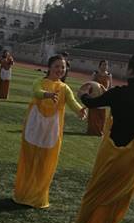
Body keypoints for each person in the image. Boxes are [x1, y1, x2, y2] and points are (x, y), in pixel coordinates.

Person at [73, 51, 134, 223]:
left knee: (95, 195)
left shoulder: (119, 93)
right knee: (119, 200)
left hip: (115, 154)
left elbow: (92, 103)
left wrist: (82, 93)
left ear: (131, 71)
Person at [13, 55, 86, 208]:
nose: (60, 69)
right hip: (35, 124)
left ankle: (37, 197)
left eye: (63, 67)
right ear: (49, 67)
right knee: (29, 158)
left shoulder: (64, 88)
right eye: (57, 66)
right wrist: (47, 94)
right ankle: (23, 193)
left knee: (46, 161)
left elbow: (72, 101)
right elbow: (36, 92)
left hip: (52, 128)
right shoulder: (39, 81)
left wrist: (80, 110)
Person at [87, 60, 112, 136]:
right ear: (99, 66)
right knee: (93, 113)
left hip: (103, 96)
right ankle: (92, 130)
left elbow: (110, 87)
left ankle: (100, 130)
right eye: (103, 65)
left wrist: (107, 93)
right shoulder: (95, 73)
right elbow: (90, 83)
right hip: (94, 96)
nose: (105, 66)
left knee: (101, 115)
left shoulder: (109, 75)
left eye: (106, 65)